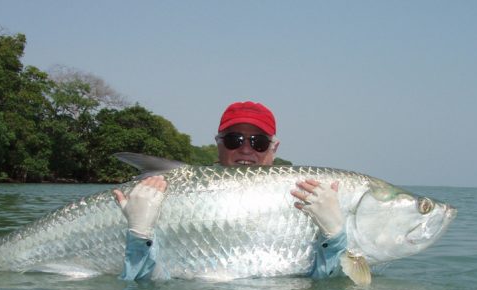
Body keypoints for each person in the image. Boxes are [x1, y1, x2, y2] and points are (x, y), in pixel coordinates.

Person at [115, 101, 346, 280]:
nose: (246, 149)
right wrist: (139, 235)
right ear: (219, 143)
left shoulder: (306, 196)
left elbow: (324, 287)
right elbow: (139, 287)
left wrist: (334, 239)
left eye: (258, 142)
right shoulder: (161, 193)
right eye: (234, 140)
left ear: (274, 148)